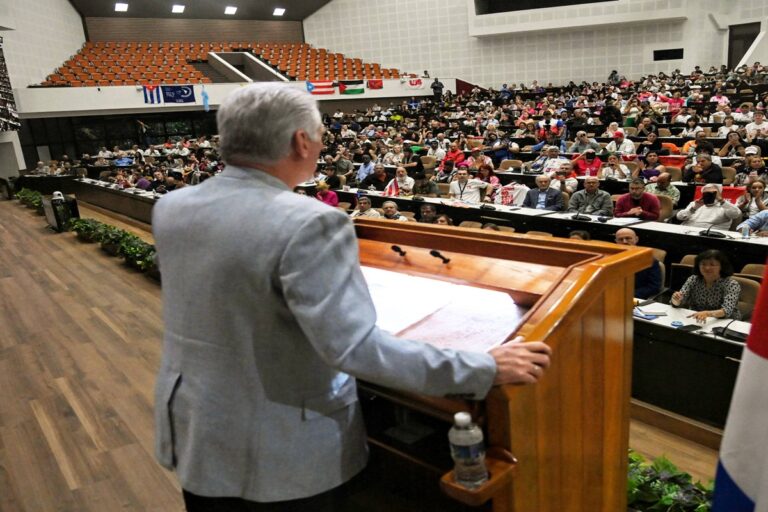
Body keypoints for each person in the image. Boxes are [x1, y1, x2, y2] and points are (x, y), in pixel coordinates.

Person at [152, 83, 553, 510]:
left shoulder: (173, 206)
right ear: (300, 141)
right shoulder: (310, 223)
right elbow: (355, 348)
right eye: (320, 133)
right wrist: (483, 367)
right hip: (279, 448)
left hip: (199, 427)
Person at [671, 250, 741, 322]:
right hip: (697, 319)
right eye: (703, 264)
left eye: (712, 265)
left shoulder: (731, 284)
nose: (707, 268)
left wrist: (707, 313)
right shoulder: (693, 279)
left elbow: (726, 310)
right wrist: (676, 300)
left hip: (725, 322)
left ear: (721, 266)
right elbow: (679, 301)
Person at [614, 228, 662, 299]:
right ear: (616, 242)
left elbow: (654, 287)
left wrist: (628, 295)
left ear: (636, 239)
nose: (624, 241)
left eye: (628, 238)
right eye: (620, 239)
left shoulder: (649, 260)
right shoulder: (610, 259)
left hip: (635, 297)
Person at [675, 184, 741, 229]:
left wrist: (721, 200)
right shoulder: (695, 204)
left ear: (718, 193)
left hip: (708, 235)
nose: (709, 195)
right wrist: (694, 208)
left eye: (713, 193)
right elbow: (679, 217)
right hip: (687, 231)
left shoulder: (725, 205)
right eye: (706, 193)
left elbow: (735, 215)